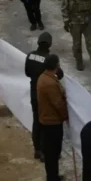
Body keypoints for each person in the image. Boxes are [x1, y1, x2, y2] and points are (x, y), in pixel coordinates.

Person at [25, 32, 64, 161]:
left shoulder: (30, 56)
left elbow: (27, 73)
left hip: (33, 93)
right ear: (50, 44)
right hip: (45, 95)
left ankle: (37, 150)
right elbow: (60, 74)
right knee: (45, 125)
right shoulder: (48, 59)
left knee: (36, 122)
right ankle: (45, 151)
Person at [36, 54, 67, 181]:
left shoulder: (43, 77)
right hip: (52, 123)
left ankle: (53, 176)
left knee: (51, 154)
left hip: (47, 121)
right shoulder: (49, 83)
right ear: (56, 66)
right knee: (53, 154)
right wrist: (66, 116)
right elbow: (58, 104)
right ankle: (52, 178)